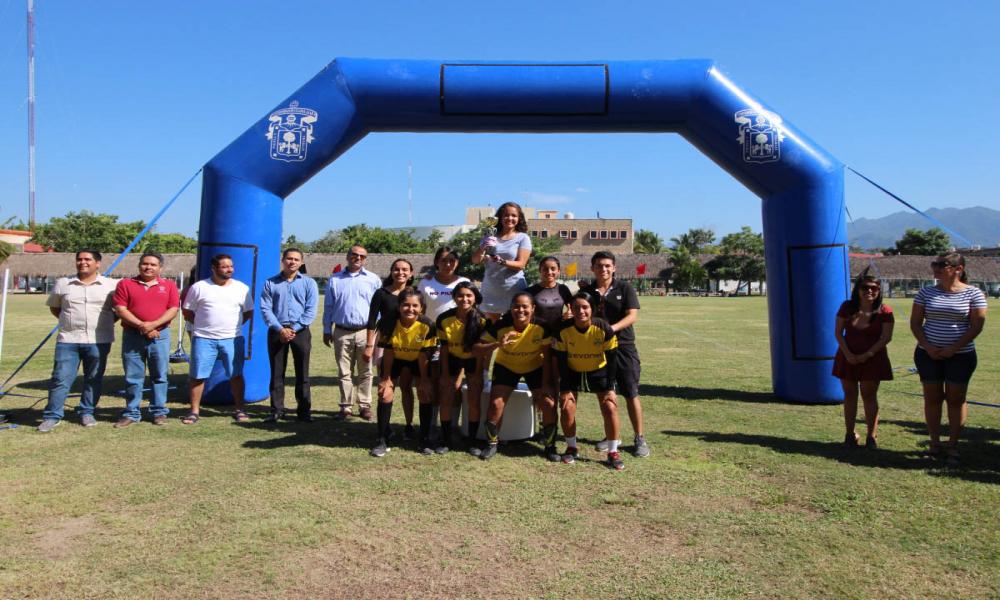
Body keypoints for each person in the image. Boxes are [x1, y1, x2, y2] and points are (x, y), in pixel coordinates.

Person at [910, 253, 987, 465]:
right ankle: (934, 444)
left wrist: (953, 348)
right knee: (932, 398)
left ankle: (953, 445)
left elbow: (976, 326)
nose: (936, 268)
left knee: (956, 399)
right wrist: (928, 347)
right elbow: (916, 323)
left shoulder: (974, 293)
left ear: (958, 269)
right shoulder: (926, 292)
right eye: (934, 264)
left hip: (961, 356)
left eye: (942, 265)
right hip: (928, 355)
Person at [579, 250, 650, 458]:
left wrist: (612, 328)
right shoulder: (588, 290)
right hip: (598, 349)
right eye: (599, 265)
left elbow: (632, 316)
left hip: (624, 347)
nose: (604, 269)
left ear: (614, 267)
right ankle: (612, 436)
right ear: (592, 268)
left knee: (630, 393)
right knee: (605, 393)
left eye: (607, 265)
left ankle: (639, 437)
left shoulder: (625, 288)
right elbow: (579, 310)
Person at [37, 250, 117, 432]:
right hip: (68, 339)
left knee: (93, 378)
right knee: (60, 378)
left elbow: (117, 312)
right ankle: (52, 416)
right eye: (79, 259)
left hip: (99, 340)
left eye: (88, 259)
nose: (83, 262)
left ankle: (87, 412)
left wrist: (104, 323)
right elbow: (56, 308)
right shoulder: (63, 284)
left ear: (98, 263)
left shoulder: (111, 285)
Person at [473, 292, 558, 461]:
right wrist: (498, 344)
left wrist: (547, 384)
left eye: (525, 306)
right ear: (511, 309)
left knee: (548, 402)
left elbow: (547, 358)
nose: (520, 310)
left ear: (532, 309)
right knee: (496, 404)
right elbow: (476, 349)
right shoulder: (501, 325)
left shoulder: (542, 326)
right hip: (507, 367)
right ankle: (492, 444)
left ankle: (550, 445)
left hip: (535, 367)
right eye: (516, 306)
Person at [180, 254, 254, 424]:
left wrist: (231, 327)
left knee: (236, 375)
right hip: (204, 339)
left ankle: (240, 410)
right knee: (198, 376)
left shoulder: (241, 288)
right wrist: (202, 325)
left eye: (231, 266)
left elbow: (248, 312)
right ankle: (194, 412)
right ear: (213, 268)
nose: (229, 269)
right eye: (225, 266)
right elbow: (187, 311)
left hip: (232, 339)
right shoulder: (199, 287)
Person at [554, 292, 623, 470]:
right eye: (576, 307)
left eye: (585, 307)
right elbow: (561, 360)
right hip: (573, 371)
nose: (581, 311)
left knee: (609, 406)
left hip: (598, 371)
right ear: (571, 309)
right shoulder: (563, 329)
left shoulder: (603, 328)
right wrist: (565, 387)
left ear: (592, 309)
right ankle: (571, 447)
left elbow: (613, 359)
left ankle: (613, 452)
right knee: (567, 407)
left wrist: (610, 387)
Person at [112, 251, 180, 428]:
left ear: (160, 268)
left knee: (159, 375)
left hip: (160, 336)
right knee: (133, 376)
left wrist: (154, 325)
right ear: (139, 265)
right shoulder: (125, 284)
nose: (148, 267)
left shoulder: (170, 285)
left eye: (153, 264)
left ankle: (159, 411)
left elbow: (173, 309)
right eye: (145, 263)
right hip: (133, 335)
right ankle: (132, 412)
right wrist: (143, 326)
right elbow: (121, 309)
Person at [370, 288, 437, 457]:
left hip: (417, 360)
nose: (410, 309)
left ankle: (424, 440)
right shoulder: (389, 322)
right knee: (385, 393)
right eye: (406, 305)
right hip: (396, 359)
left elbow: (424, 356)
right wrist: (386, 379)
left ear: (421, 308)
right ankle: (382, 440)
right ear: (399, 306)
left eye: (415, 306)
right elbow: (389, 353)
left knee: (425, 393)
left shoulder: (428, 325)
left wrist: (424, 380)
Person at [832, 268, 893, 449]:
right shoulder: (847, 307)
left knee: (869, 395)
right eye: (865, 287)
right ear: (857, 290)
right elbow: (838, 333)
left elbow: (886, 337)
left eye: (874, 288)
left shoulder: (884, 311)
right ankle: (849, 434)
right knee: (849, 395)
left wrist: (867, 355)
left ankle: (871, 436)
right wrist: (849, 354)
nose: (870, 291)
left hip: (873, 359)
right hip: (847, 357)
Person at [322, 245, 381, 421]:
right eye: (354, 255)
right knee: (344, 371)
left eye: (362, 256)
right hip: (342, 331)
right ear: (348, 256)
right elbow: (328, 307)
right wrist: (326, 329)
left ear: (365, 259)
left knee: (365, 371)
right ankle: (346, 407)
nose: (358, 258)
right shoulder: (335, 280)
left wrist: (377, 332)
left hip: (365, 332)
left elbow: (378, 309)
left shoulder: (373, 280)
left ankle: (364, 405)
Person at [260, 248, 319, 423]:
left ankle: (303, 411)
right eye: (289, 258)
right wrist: (280, 329)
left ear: (301, 262)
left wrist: (294, 328)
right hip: (277, 331)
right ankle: (277, 410)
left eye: (296, 259)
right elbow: (265, 309)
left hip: (300, 332)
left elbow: (311, 310)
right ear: (283, 260)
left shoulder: (309, 283)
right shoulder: (270, 283)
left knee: (303, 372)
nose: (292, 262)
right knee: (277, 372)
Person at [363, 258, 417, 438]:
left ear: (411, 274)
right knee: (386, 386)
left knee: (407, 387)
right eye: (396, 269)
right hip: (385, 345)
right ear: (391, 271)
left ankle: (409, 425)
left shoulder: (414, 294)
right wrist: (369, 346)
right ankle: (384, 428)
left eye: (404, 270)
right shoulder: (381, 293)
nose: (400, 273)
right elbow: (371, 321)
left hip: (408, 346)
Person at [436, 281, 488, 454]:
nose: (464, 299)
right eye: (460, 295)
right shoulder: (444, 318)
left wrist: (479, 374)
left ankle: (472, 442)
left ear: (475, 298)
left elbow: (481, 350)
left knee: (473, 399)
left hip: (474, 359)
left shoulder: (483, 319)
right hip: (452, 358)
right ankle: (446, 439)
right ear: (454, 297)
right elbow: (444, 349)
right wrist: (444, 374)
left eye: (468, 295)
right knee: (446, 397)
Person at [471, 202, 533, 320]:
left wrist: (502, 262)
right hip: (491, 290)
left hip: (514, 290)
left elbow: (521, 264)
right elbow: (475, 260)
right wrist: (483, 247)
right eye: (506, 215)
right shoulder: (490, 235)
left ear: (519, 218)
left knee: (514, 328)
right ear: (499, 218)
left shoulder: (523, 238)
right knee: (492, 331)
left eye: (514, 216)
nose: (510, 218)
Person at [527, 256, 573, 402]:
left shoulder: (563, 289)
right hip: (537, 339)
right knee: (539, 380)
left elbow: (575, 308)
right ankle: (542, 415)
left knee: (556, 378)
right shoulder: (531, 291)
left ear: (558, 271)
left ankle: (552, 416)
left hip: (558, 339)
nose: (549, 272)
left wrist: (569, 314)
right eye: (545, 268)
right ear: (540, 270)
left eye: (553, 269)